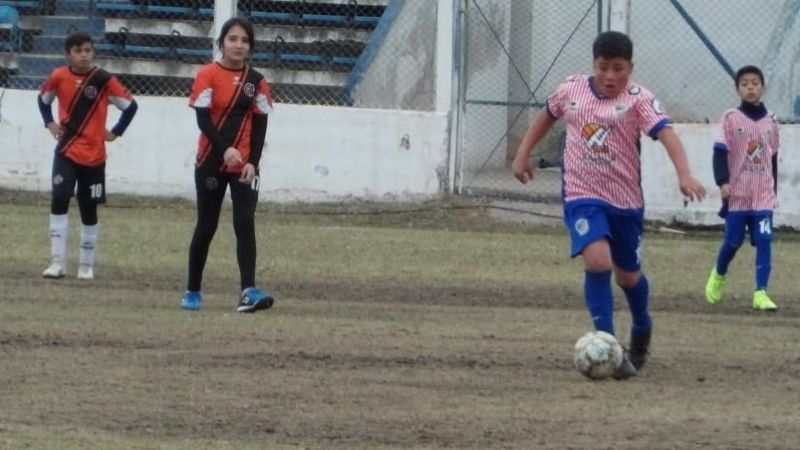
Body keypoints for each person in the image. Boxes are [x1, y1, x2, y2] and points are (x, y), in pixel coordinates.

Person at [511, 31, 706, 378]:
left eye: (619, 68)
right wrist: (523, 154)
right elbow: (546, 115)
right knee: (598, 260)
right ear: (593, 65)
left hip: (626, 202)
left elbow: (667, 134)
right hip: (582, 195)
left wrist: (685, 174)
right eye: (603, 68)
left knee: (629, 276)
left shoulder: (638, 100)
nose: (610, 76)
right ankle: (610, 346)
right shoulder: (571, 89)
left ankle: (642, 325)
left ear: (630, 68)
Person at [181, 17, 275, 313]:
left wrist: (253, 163)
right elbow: (203, 119)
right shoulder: (207, 74)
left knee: (245, 222)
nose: (238, 45)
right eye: (233, 39)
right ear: (221, 42)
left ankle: (248, 291)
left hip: (244, 166)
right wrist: (225, 150)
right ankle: (192, 290)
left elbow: (261, 125)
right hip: (211, 162)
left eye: (244, 40)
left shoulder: (257, 81)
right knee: (206, 225)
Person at [39, 31, 138, 280]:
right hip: (66, 151)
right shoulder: (58, 76)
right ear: (68, 54)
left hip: (94, 156)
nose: (84, 55)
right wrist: (49, 122)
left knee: (89, 207)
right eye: (78, 51)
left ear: (93, 52)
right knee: (60, 197)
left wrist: (115, 132)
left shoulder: (103, 79)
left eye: (88, 50)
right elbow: (43, 101)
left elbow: (131, 106)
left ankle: (85, 266)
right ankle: (57, 263)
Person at [704, 66, 780, 311]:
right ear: (738, 89)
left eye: (755, 83)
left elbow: (773, 157)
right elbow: (719, 152)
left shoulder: (771, 121)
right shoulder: (730, 118)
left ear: (763, 88)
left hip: (762, 195)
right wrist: (722, 182)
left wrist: (773, 190)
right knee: (733, 242)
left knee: (765, 240)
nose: (750, 87)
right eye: (745, 83)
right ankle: (718, 274)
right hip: (738, 193)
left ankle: (761, 293)